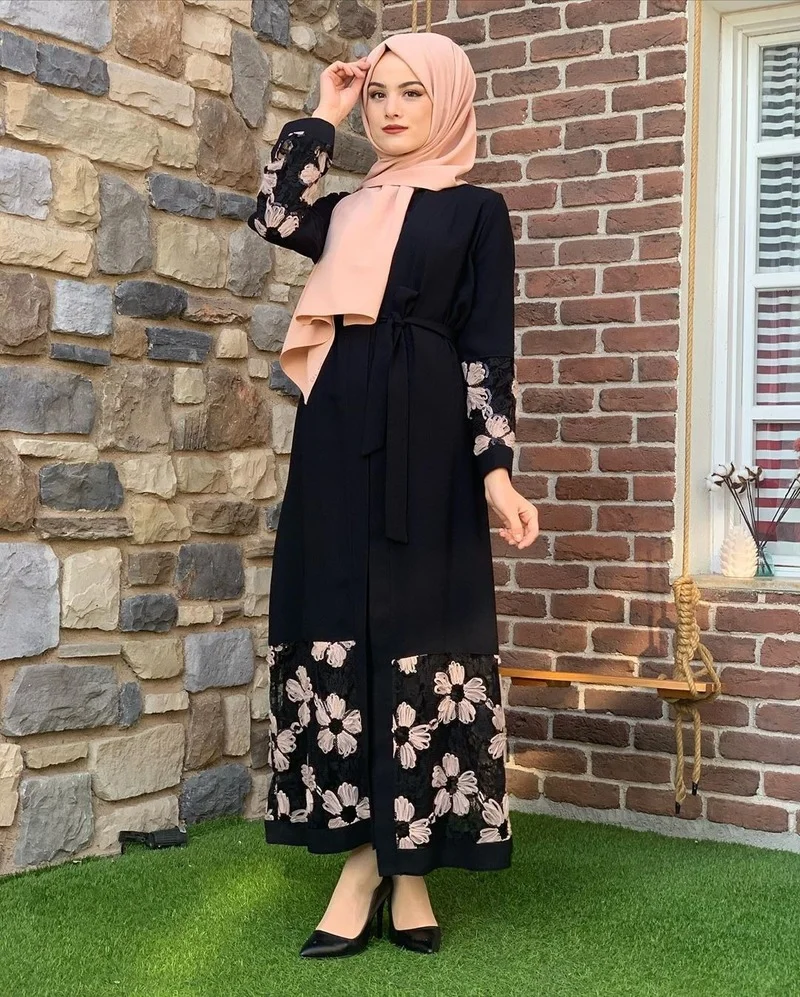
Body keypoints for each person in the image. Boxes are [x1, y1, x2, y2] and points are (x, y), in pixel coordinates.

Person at [247, 30, 539, 959]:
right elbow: (274, 213)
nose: (393, 109)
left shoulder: (478, 211)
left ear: (448, 100)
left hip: (431, 438)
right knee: (337, 614)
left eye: (412, 92)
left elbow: (488, 345)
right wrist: (323, 112)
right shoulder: (345, 211)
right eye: (380, 94)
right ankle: (370, 862)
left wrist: (495, 469)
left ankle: (397, 866)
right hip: (336, 430)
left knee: (420, 628)